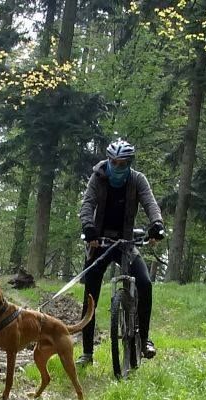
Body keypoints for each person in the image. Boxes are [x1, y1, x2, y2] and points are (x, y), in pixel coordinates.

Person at [76, 139, 165, 367]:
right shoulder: (98, 177)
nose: (117, 166)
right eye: (113, 162)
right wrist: (88, 227)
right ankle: (87, 353)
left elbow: (150, 203)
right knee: (90, 294)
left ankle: (144, 340)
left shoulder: (137, 179)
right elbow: (87, 204)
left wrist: (156, 224)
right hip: (100, 242)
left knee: (144, 282)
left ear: (129, 163)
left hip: (126, 241)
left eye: (122, 163)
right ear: (108, 160)